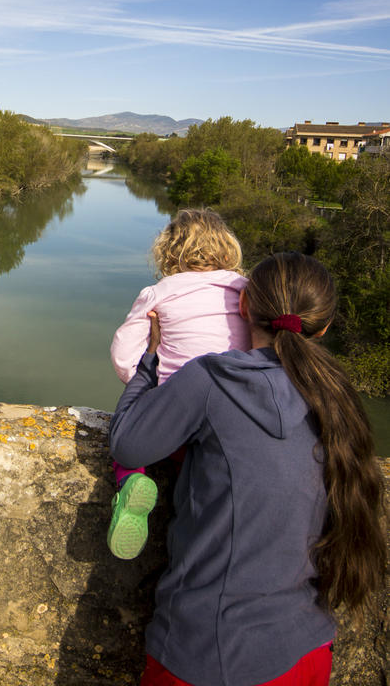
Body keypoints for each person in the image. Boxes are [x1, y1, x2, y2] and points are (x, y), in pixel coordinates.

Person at [109, 252, 386, 686]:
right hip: (308, 649)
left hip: (205, 654)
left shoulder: (213, 379)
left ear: (244, 307)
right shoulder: (339, 397)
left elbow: (129, 444)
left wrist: (150, 361)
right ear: (326, 326)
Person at [108, 208, 251, 559]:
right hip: (235, 417)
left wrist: (149, 382)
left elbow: (123, 355)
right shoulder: (246, 290)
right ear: (227, 247)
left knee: (129, 428)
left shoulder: (160, 292)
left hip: (176, 415)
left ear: (168, 252)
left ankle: (132, 479)